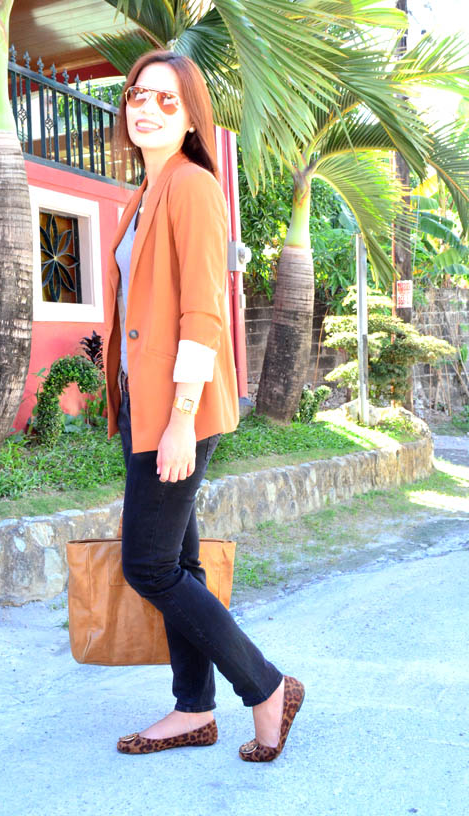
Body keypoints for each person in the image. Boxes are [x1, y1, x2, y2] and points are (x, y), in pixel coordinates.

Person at [102, 49, 304, 762]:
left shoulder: (191, 187)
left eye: (167, 99)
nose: (147, 107)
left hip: (175, 409)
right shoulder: (145, 192)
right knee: (176, 562)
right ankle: (193, 709)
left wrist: (181, 418)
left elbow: (203, 313)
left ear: (191, 118)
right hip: (146, 406)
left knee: (149, 566)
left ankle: (266, 686)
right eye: (138, 94)